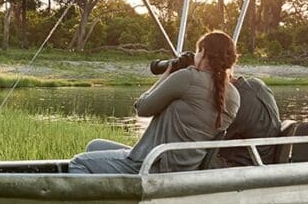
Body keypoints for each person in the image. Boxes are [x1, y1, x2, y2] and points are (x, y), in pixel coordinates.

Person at [69, 31, 241, 174]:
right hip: (185, 167)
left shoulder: (187, 78)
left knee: (79, 163)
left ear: (203, 52)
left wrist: (167, 75)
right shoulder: (234, 95)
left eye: (197, 52)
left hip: (154, 165)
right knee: (94, 146)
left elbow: (142, 108)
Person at [210, 75, 283, 167]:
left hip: (247, 164)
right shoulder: (257, 84)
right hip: (265, 157)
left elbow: (211, 137)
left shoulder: (235, 101)